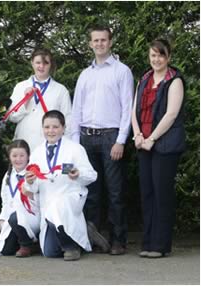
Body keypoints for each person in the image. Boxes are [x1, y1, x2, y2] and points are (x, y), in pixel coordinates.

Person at [70, 25, 134, 255]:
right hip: (87, 138)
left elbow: (128, 108)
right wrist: (75, 143)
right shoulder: (85, 75)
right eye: (95, 40)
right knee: (91, 192)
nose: (99, 44)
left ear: (110, 41)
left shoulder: (121, 71)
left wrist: (121, 140)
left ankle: (118, 241)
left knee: (115, 191)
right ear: (90, 44)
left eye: (103, 40)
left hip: (110, 137)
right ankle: (93, 239)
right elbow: (76, 110)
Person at [131, 39, 185, 259]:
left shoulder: (175, 81)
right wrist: (136, 135)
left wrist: (151, 138)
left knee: (162, 194)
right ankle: (148, 242)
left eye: (160, 55)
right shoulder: (144, 78)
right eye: (153, 55)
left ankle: (161, 245)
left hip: (164, 144)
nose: (156, 59)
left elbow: (171, 114)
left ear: (168, 57)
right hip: (144, 143)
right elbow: (134, 109)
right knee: (147, 194)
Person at [23, 110, 100, 261]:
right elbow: (33, 188)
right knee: (50, 252)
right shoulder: (36, 153)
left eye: (55, 127)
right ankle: (85, 233)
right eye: (47, 127)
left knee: (57, 208)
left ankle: (71, 247)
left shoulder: (75, 149)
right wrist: (30, 182)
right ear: (42, 129)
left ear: (63, 128)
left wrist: (78, 174)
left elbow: (92, 175)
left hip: (70, 197)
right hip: (48, 202)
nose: (51, 131)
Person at [7, 47, 72, 152]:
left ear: (50, 65)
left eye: (45, 63)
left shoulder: (61, 90)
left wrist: (66, 149)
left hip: (49, 147)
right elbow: (12, 117)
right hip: (23, 147)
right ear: (32, 62)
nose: (41, 66)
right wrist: (26, 101)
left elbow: (68, 121)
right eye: (38, 62)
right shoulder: (20, 86)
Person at [0, 139, 40, 258]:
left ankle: (27, 245)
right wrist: (2, 218)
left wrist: (29, 194)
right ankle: (29, 243)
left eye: (21, 155)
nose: (18, 159)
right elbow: (5, 200)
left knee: (16, 217)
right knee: (6, 250)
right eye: (14, 156)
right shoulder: (8, 175)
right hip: (13, 217)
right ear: (9, 157)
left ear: (28, 156)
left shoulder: (33, 173)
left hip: (32, 216)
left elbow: (41, 198)